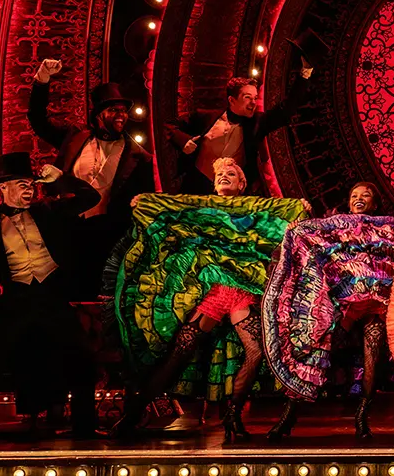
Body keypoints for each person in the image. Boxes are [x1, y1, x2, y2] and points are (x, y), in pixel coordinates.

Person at [110, 157, 310, 441]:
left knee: (256, 351)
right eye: (219, 174)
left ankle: (233, 416)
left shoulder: (252, 207)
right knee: (180, 350)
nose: (224, 177)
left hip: (241, 293)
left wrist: (298, 206)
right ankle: (133, 415)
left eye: (231, 174)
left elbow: (275, 208)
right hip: (212, 294)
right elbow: (178, 204)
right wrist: (147, 202)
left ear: (242, 184)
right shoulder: (203, 205)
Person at [0, 153, 102, 441]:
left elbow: (90, 197)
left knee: (82, 358)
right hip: (17, 302)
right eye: (20, 183)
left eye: (31, 183)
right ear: (3, 188)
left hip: (53, 297)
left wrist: (61, 178)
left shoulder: (50, 210)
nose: (29, 189)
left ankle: (85, 427)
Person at [265, 182, 394, 441]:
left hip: (376, 302)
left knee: (373, 347)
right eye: (354, 195)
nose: (359, 199)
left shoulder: (386, 228)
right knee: (318, 344)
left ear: (374, 204)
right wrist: (298, 227)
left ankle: (362, 416)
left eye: (366, 196)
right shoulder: (335, 227)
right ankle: (289, 415)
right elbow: (312, 245)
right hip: (343, 302)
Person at [27, 58, 155, 297]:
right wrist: (42, 80)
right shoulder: (75, 138)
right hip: (64, 228)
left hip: (105, 236)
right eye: (113, 110)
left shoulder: (140, 157)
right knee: (58, 295)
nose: (121, 115)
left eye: (123, 111)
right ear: (98, 114)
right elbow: (38, 121)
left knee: (94, 297)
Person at [168, 68, 312, 195]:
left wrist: (304, 73)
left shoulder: (257, 123)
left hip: (231, 196)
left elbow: (285, 111)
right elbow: (169, 126)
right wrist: (184, 141)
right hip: (195, 186)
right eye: (247, 98)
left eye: (255, 98)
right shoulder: (204, 117)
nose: (253, 103)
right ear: (232, 100)